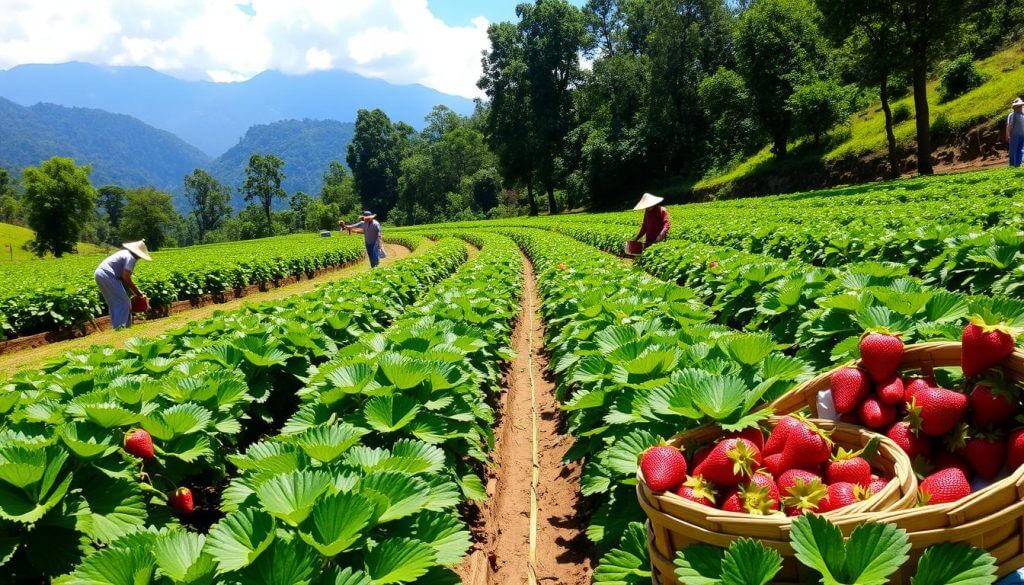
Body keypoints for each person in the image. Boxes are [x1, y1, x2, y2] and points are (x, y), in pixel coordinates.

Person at [94, 240, 151, 329]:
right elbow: (126, 277)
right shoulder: (131, 258)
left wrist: (135, 293)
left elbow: (123, 279)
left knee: (115, 303)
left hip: (99, 274)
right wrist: (139, 294)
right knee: (123, 303)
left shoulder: (124, 253)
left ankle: (120, 327)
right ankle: (121, 328)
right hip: (108, 275)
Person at [1008, 97, 1024, 168]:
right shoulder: (1012, 115)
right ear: (1015, 107)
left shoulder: (1023, 115)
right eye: (1019, 106)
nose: (1021, 107)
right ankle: (1012, 165)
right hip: (1014, 135)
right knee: (1013, 150)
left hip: (1022, 135)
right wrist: (1008, 135)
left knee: (1020, 150)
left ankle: (1018, 164)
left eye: (1021, 106)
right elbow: (1009, 126)